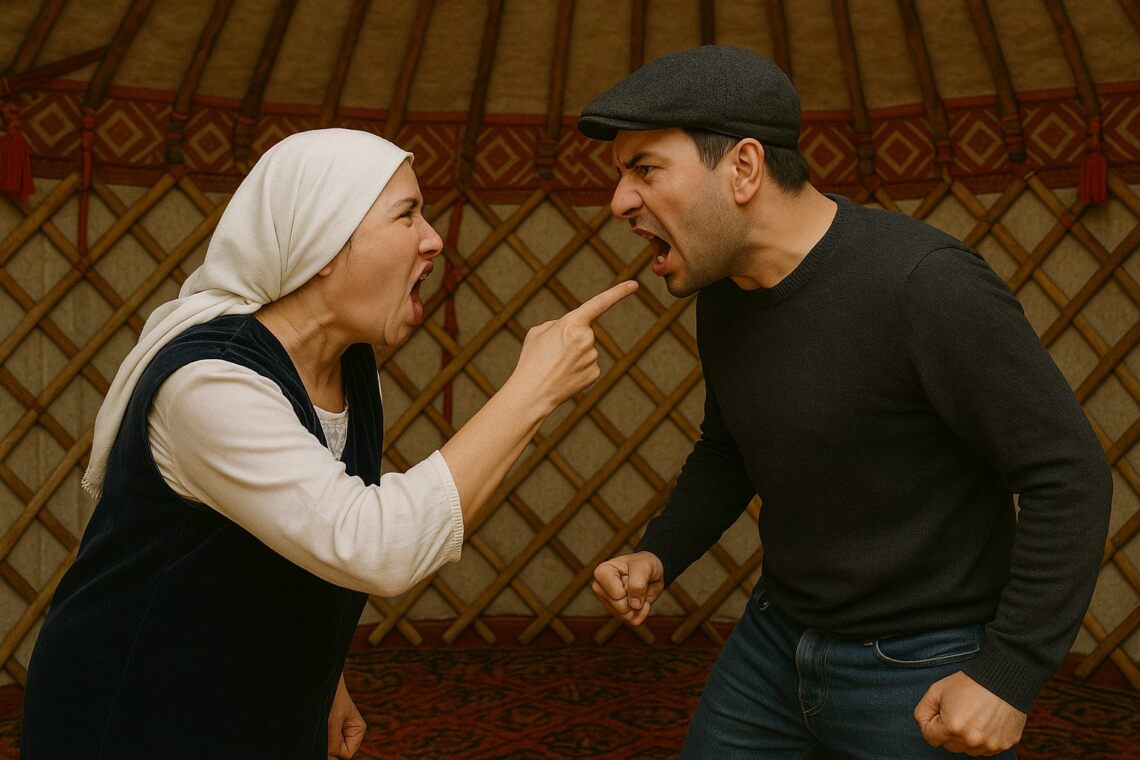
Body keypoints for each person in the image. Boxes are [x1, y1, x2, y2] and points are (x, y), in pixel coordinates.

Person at [21, 128, 637, 760]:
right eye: (407, 214)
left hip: (240, 701)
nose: (433, 238)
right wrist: (533, 389)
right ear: (323, 243)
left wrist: (319, 676)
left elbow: (298, 533)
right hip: (134, 713)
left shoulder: (350, 366)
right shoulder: (210, 385)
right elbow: (374, 544)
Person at [582, 46, 1111, 758]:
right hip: (774, 642)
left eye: (644, 169)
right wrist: (659, 552)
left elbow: (1067, 473)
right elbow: (730, 446)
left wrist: (1009, 674)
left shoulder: (924, 285)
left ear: (744, 168)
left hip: (922, 663)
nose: (618, 201)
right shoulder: (726, 291)